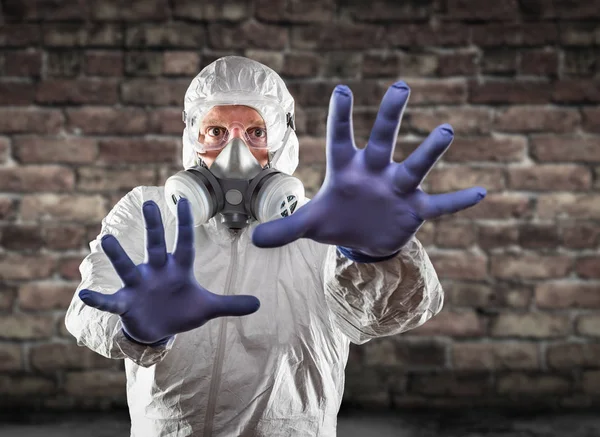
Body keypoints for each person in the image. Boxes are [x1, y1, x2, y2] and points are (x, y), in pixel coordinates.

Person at [65, 56, 486, 437]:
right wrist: (135, 327)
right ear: (193, 137)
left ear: (281, 142)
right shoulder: (149, 212)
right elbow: (85, 311)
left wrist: (375, 255)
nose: (235, 152)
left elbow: (381, 318)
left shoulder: (323, 226)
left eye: (255, 132)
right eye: (216, 131)